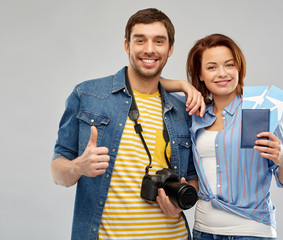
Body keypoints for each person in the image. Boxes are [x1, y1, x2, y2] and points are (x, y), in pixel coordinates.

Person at [51, 8, 203, 240]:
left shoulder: (183, 109)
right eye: (140, 40)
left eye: (159, 41)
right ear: (127, 46)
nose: (149, 49)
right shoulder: (88, 95)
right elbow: (57, 170)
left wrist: (181, 204)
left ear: (170, 49)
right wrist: (77, 167)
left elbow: (193, 176)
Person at [186, 34, 283, 240]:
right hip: (203, 231)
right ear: (200, 74)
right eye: (211, 67)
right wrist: (183, 86)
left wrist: (282, 159)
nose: (222, 73)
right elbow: (154, 84)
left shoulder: (258, 110)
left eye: (229, 65)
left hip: (252, 233)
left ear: (239, 68)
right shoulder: (196, 115)